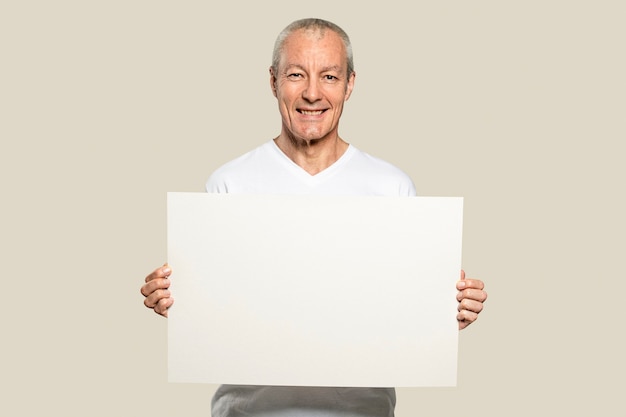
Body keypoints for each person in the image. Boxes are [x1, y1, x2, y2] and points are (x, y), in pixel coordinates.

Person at [141, 18, 488, 417]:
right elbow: (208, 313)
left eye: (328, 76)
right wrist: (174, 296)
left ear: (350, 84)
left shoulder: (391, 187)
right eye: (295, 74)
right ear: (273, 82)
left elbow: (406, 313)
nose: (311, 93)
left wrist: (448, 305)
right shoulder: (229, 183)